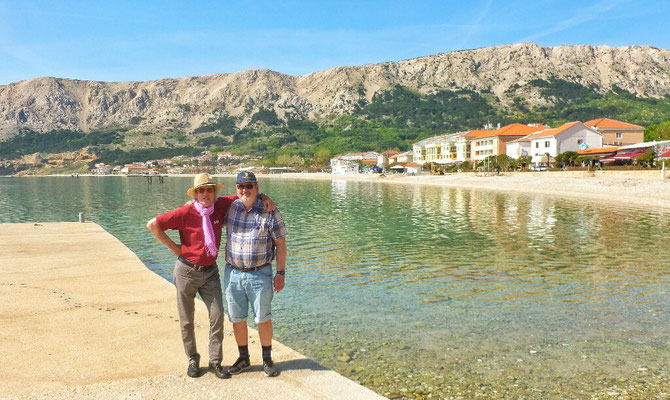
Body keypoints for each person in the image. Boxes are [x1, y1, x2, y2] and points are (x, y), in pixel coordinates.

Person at [146, 173, 273, 379]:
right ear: (195, 194)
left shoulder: (222, 205)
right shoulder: (185, 212)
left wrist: (266, 197)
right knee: (187, 320)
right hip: (186, 271)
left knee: (217, 316)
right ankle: (193, 359)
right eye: (201, 190)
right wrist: (174, 248)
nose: (205, 193)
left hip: (210, 272)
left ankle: (215, 362)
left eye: (209, 190)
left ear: (215, 192)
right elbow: (153, 224)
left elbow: (247, 194)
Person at [224, 171, 287, 378]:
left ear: (257, 188)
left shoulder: (270, 210)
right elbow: (207, 208)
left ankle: (267, 359)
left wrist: (280, 273)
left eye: (249, 186)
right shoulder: (231, 207)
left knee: (263, 318)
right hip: (233, 273)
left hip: (260, 273)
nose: (245, 190)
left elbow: (280, 244)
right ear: (236, 189)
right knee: (237, 318)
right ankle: (244, 358)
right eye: (241, 186)